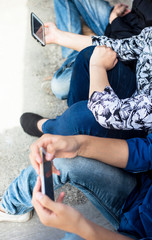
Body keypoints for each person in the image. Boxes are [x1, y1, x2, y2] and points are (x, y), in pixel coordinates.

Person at [1, 133, 152, 240]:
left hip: (138, 231)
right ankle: (10, 207)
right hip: (142, 190)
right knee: (62, 160)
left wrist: (80, 226)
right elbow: (146, 151)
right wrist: (78, 144)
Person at [50, 0, 152, 99]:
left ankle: (74, 51)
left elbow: (128, 47)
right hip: (123, 22)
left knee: (59, 86)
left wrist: (114, 20)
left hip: (124, 51)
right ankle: (76, 48)